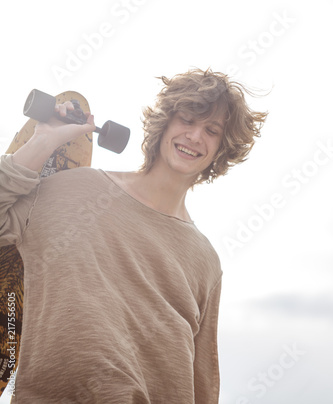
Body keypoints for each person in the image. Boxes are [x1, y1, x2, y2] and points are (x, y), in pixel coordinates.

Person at [0, 67, 268, 403]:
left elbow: (203, 384)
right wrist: (45, 139)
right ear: (164, 125)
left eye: (212, 130)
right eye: (186, 120)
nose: (195, 136)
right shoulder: (75, 191)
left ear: (221, 149)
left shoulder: (205, 260)